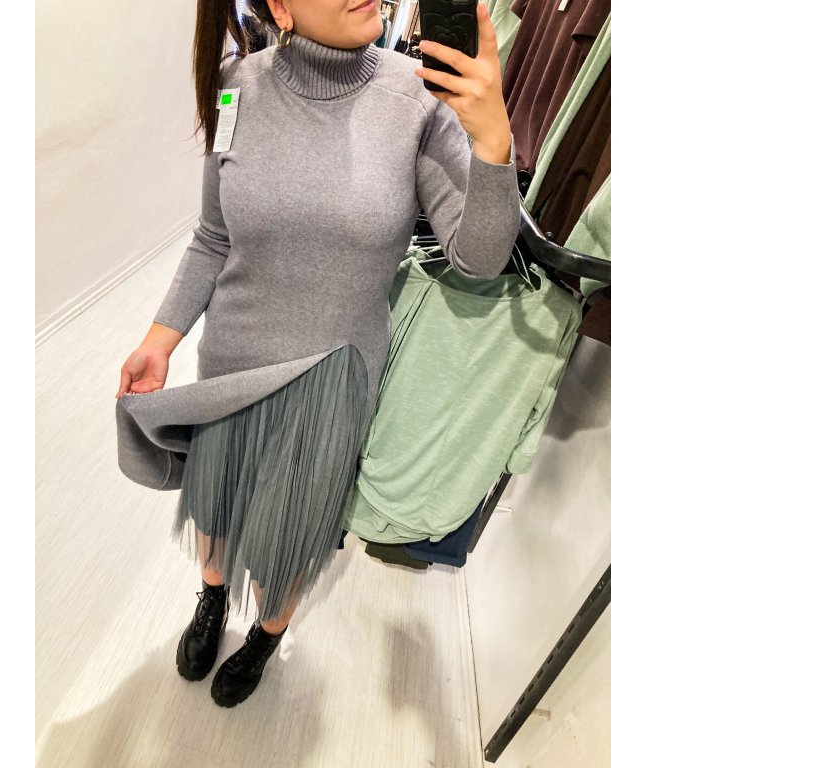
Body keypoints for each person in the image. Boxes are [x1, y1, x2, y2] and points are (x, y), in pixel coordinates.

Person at [114, 0, 517, 709]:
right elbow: (213, 236)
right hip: (232, 362)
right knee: (216, 506)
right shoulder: (235, 85)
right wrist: (160, 337)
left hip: (333, 380)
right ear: (279, 6)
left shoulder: (417, 99)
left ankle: (265, 636)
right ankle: (211, 600)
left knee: (290, 531)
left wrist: (493, 146)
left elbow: (478, 260)